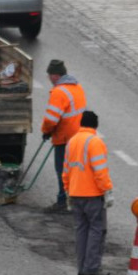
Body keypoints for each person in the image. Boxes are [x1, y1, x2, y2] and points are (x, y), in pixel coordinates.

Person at [62, 110, 114, 275]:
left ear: (81, 124)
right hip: (92, 195)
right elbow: (100, 171)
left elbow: (66, 171)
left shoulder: (72, 142)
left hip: (76, 194)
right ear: (95, 126)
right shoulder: (95, 142)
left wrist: (68, 191)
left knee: (81, 231)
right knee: (97, 231)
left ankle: (82, 267)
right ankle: (92, 268)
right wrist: (107, 190)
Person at [41, 60, 87, 212]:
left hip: (65, 138)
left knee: (62, 171)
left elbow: (51, 119)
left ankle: (63, 202)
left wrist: (46, 131)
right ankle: (76, 202)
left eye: (49, 75)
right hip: (79, 136)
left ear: (55, 75)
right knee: (75, 171)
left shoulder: (59, 92)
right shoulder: (77, 87)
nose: (48, 78)